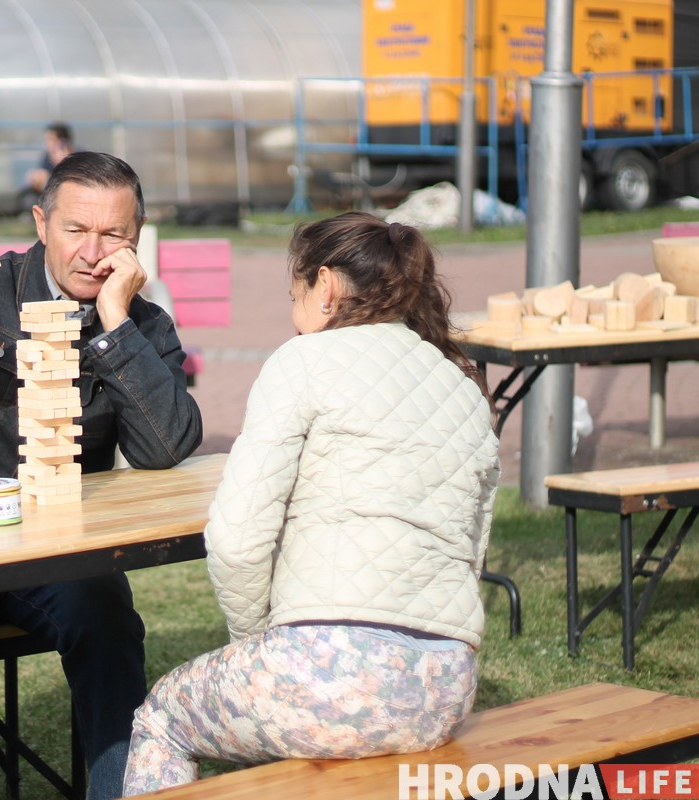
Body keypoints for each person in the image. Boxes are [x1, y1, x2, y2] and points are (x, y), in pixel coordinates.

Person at [121, 211, 501, 795]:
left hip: (325, 674)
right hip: (443, 687)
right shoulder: (461, 381)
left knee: (161, 721)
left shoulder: (304, 361)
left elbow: (237, 538)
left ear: (324, 285)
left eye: (293, 290)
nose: (291, 307)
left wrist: (253, 642)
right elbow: (471, 550)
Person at [0, 151, 203, 800]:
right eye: (76, 230)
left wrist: (113, 320)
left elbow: (167, 445)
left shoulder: (143, 323)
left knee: (109, 624)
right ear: (41, 223)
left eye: (115, 235)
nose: (93, 251)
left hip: (62, 549)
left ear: (137, 240)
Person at [25, 121, 74, 196]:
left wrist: (63, 163)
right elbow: (44, 175)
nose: (47, 144)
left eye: (50, 139)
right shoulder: (47, 156)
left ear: (62, 142)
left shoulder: (79, 155)